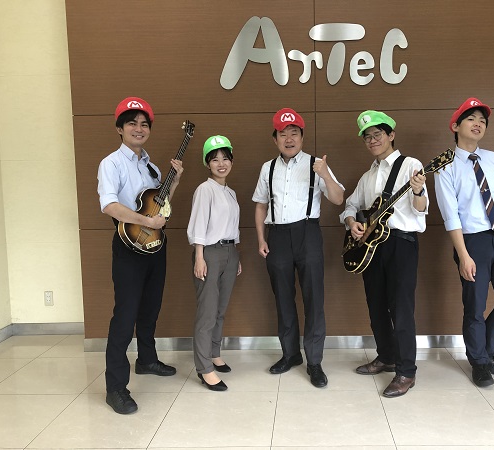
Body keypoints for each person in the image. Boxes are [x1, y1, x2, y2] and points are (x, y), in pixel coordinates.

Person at [97, 97, 183, 414]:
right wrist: (145, 222)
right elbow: (109, 205)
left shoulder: (152, 167)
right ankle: (115, 387)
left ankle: (147, 360)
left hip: (155, 246)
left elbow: (160, 204)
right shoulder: (111, 164)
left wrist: (174, 181)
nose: (139, 128)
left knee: (150, 308)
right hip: (128, 247)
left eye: (144, 124)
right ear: (119, 128)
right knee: (125, 315)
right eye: (131, 123)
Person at [434, 97, 494, 387]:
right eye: (471, 119)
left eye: (482, 121)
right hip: (471, 242)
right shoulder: (445, 167)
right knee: (474, 307)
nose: (478, 124)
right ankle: (480, 362)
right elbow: (450, 216)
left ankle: (483, 350)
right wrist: (463, 255)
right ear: (455, 126)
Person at [252, 108, 345, 388]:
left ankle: (314, 361)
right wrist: (261, 238)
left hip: (308, 233)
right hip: (277, 236)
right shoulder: (267, 168)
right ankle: (290, 354)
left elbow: (338, 198)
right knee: (283, 298)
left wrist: (325, 175)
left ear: (302, 137)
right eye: (283, 134)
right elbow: (261, 205)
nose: (289, 139)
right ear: (275, 139)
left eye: (294, 133)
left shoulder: (317, 164)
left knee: (314, 298)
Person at [340, 110, 428, 398]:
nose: (372, 141)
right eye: (367, 137)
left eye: (377, 134)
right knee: (376, 305)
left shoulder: (410, 165)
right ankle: (386, 356)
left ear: (391, 135)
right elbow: (350, 205)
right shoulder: (367, 176)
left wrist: (417, 192)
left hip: (401, 244)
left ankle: (406, 372)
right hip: (372, 247)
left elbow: (421, 209)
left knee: (401, 309)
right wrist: (352, 222)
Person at [187, 135, 241, 392]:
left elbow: (231, 225)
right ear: (207, 164)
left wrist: (235, 256)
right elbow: (198, 224)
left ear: (231, 161)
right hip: (208, 252)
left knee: (220, 309)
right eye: (215, 159)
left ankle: (215, 353)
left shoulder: (230, 192)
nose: (221, 164)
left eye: (225, 158)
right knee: (207, 312)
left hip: (230, 252)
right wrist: (199, 256)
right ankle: (204, 367)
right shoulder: (204, 189)